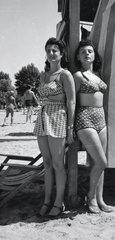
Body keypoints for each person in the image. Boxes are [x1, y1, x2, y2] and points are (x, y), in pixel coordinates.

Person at [34, 38, 76, 218]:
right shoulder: (43, 76)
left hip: (58, 118)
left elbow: (72, 101)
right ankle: (46, 200)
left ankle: (59, 203)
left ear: (61, 54)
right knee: (47, 163)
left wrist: (70, 128)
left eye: (54, 50)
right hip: (42, 119)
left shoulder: (65, 75)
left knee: (59, 164)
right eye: (48, 50)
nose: (51, 53)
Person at [73, 39, 112, 213]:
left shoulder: (98, 75)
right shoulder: (78, 76)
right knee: (102, 161)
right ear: (78, 57)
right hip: (85, 118)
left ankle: (100, 199)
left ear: (94, 55)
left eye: (90, 51)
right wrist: (70, 128)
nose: (87, 53)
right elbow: (72, 102)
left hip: (101, 119)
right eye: (83, 52)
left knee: (99, 163)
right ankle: (91, 196)